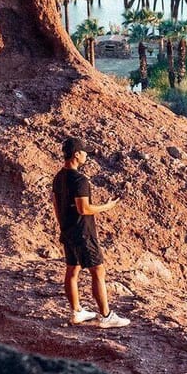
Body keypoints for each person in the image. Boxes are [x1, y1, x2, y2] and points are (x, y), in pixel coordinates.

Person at [51, 136, 129, 329]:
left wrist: (63, 226)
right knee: (98, 270)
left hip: (68, 229)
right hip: (83, 232)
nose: (87, 155)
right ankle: (106, 316)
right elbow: (83, 209)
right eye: (85, 152)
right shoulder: (79, 179)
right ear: (76, 154)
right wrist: (107, 206)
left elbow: (55, 205)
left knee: (72, 270)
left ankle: (77, 312)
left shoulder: (59, 177)